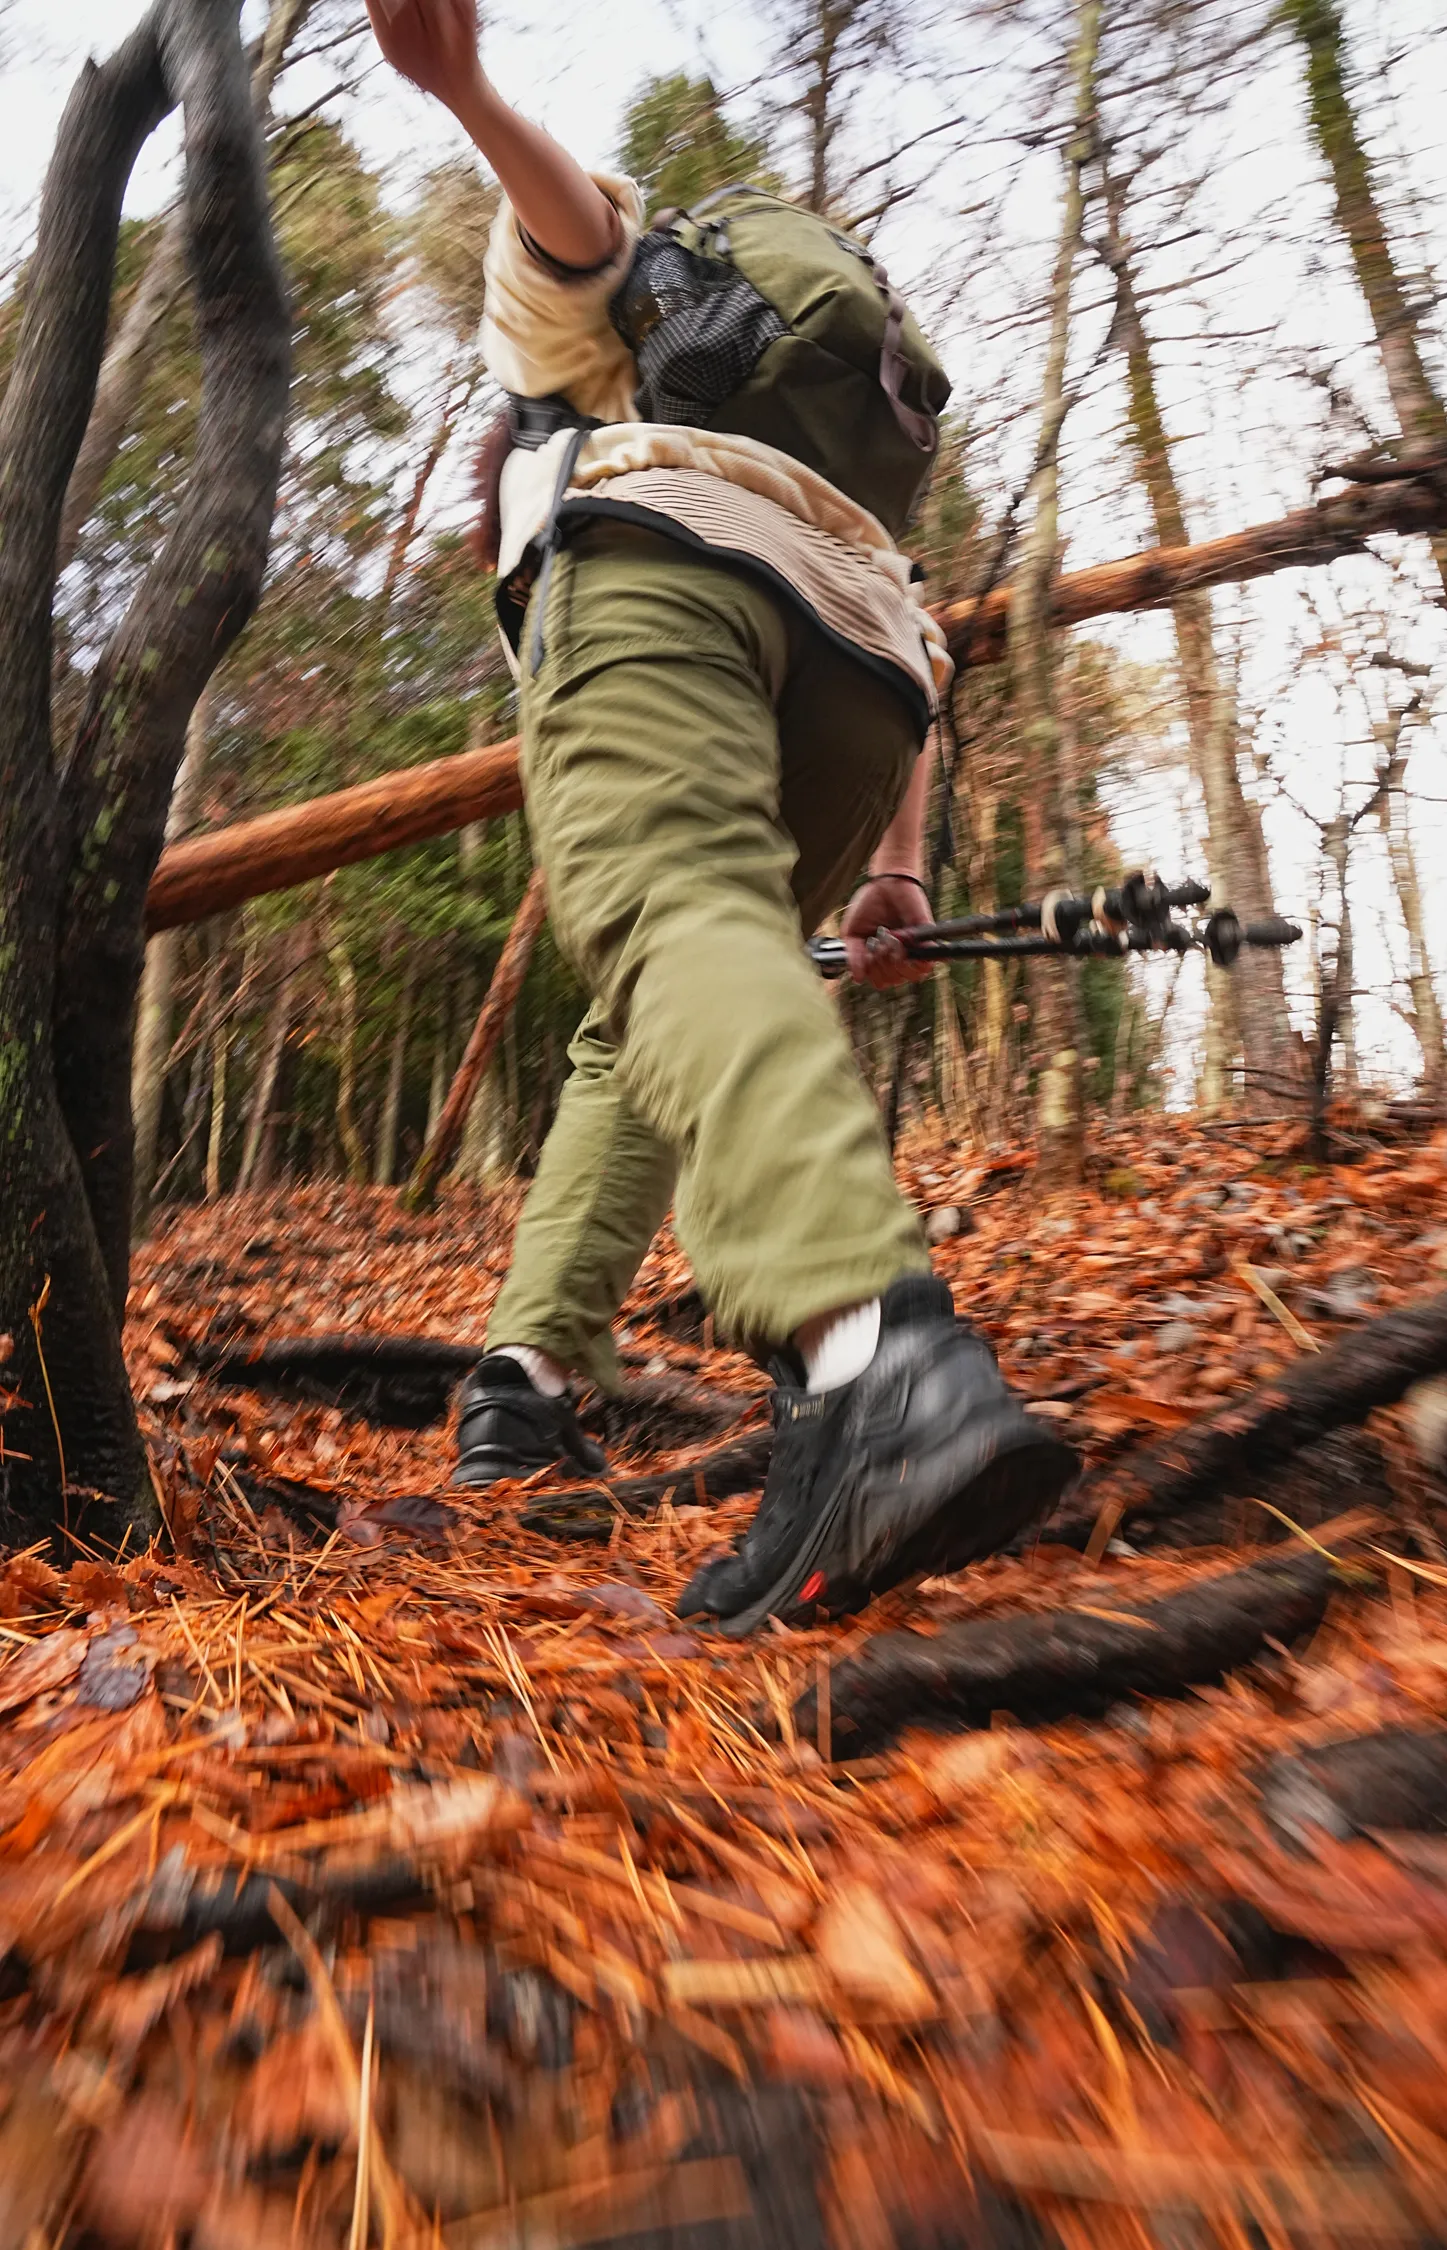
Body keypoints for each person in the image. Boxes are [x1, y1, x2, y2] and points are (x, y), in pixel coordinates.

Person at [365, 0, 1078, 1636]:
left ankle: (872, 1352)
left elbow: (576, 225)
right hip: (869, 674)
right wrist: (897, 869)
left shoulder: (610, 355)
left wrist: (464, 86)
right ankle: (588, 1390)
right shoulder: (844, 445)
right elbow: (922, 625)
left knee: (671, 919)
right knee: (662, 1009)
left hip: (673, 580)